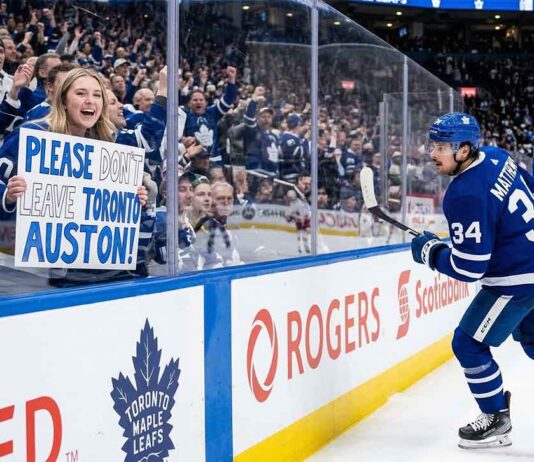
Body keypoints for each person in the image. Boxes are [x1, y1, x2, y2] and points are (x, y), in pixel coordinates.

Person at [410, 112, 534, 450]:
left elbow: (470, 268)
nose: (432, 154)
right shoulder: (498, 156)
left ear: (464, 150)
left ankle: (495, 418)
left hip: (517, 279)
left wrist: (430, 253)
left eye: (441, 147)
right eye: (431, 145)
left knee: (467, 344)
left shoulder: (464, 194)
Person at [0, 68, 148, 286]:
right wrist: (9, 196)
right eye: (81, 93)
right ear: (63, 100)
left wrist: (132, 198)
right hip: (31, 278)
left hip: (90, 275)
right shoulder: (33, 135)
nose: (90, 101)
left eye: (97, 95)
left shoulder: (108, 146)